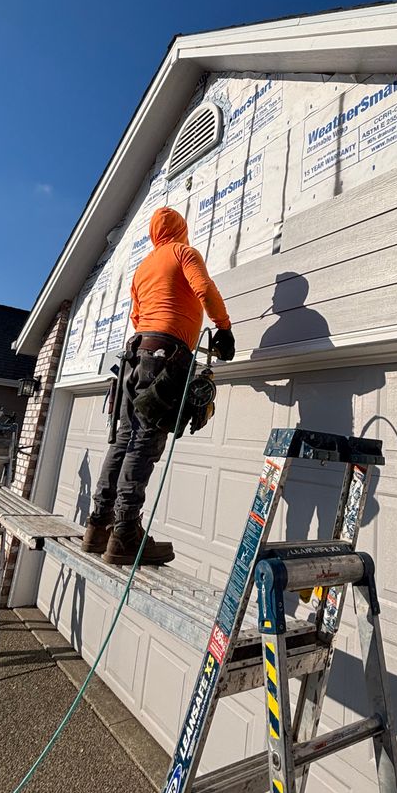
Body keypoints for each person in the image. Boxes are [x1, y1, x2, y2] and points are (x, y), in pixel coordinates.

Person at [82, 206, 235, 565]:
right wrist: (224, 327)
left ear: (153, 233)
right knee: (145, 441)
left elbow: (136, 317)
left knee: (124, 438)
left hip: (136, 353)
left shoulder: (143, 268)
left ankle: (97, 526)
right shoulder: (183, 252)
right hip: (164, 357)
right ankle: (125, 534)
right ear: (181, 229)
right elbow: (204, 287)